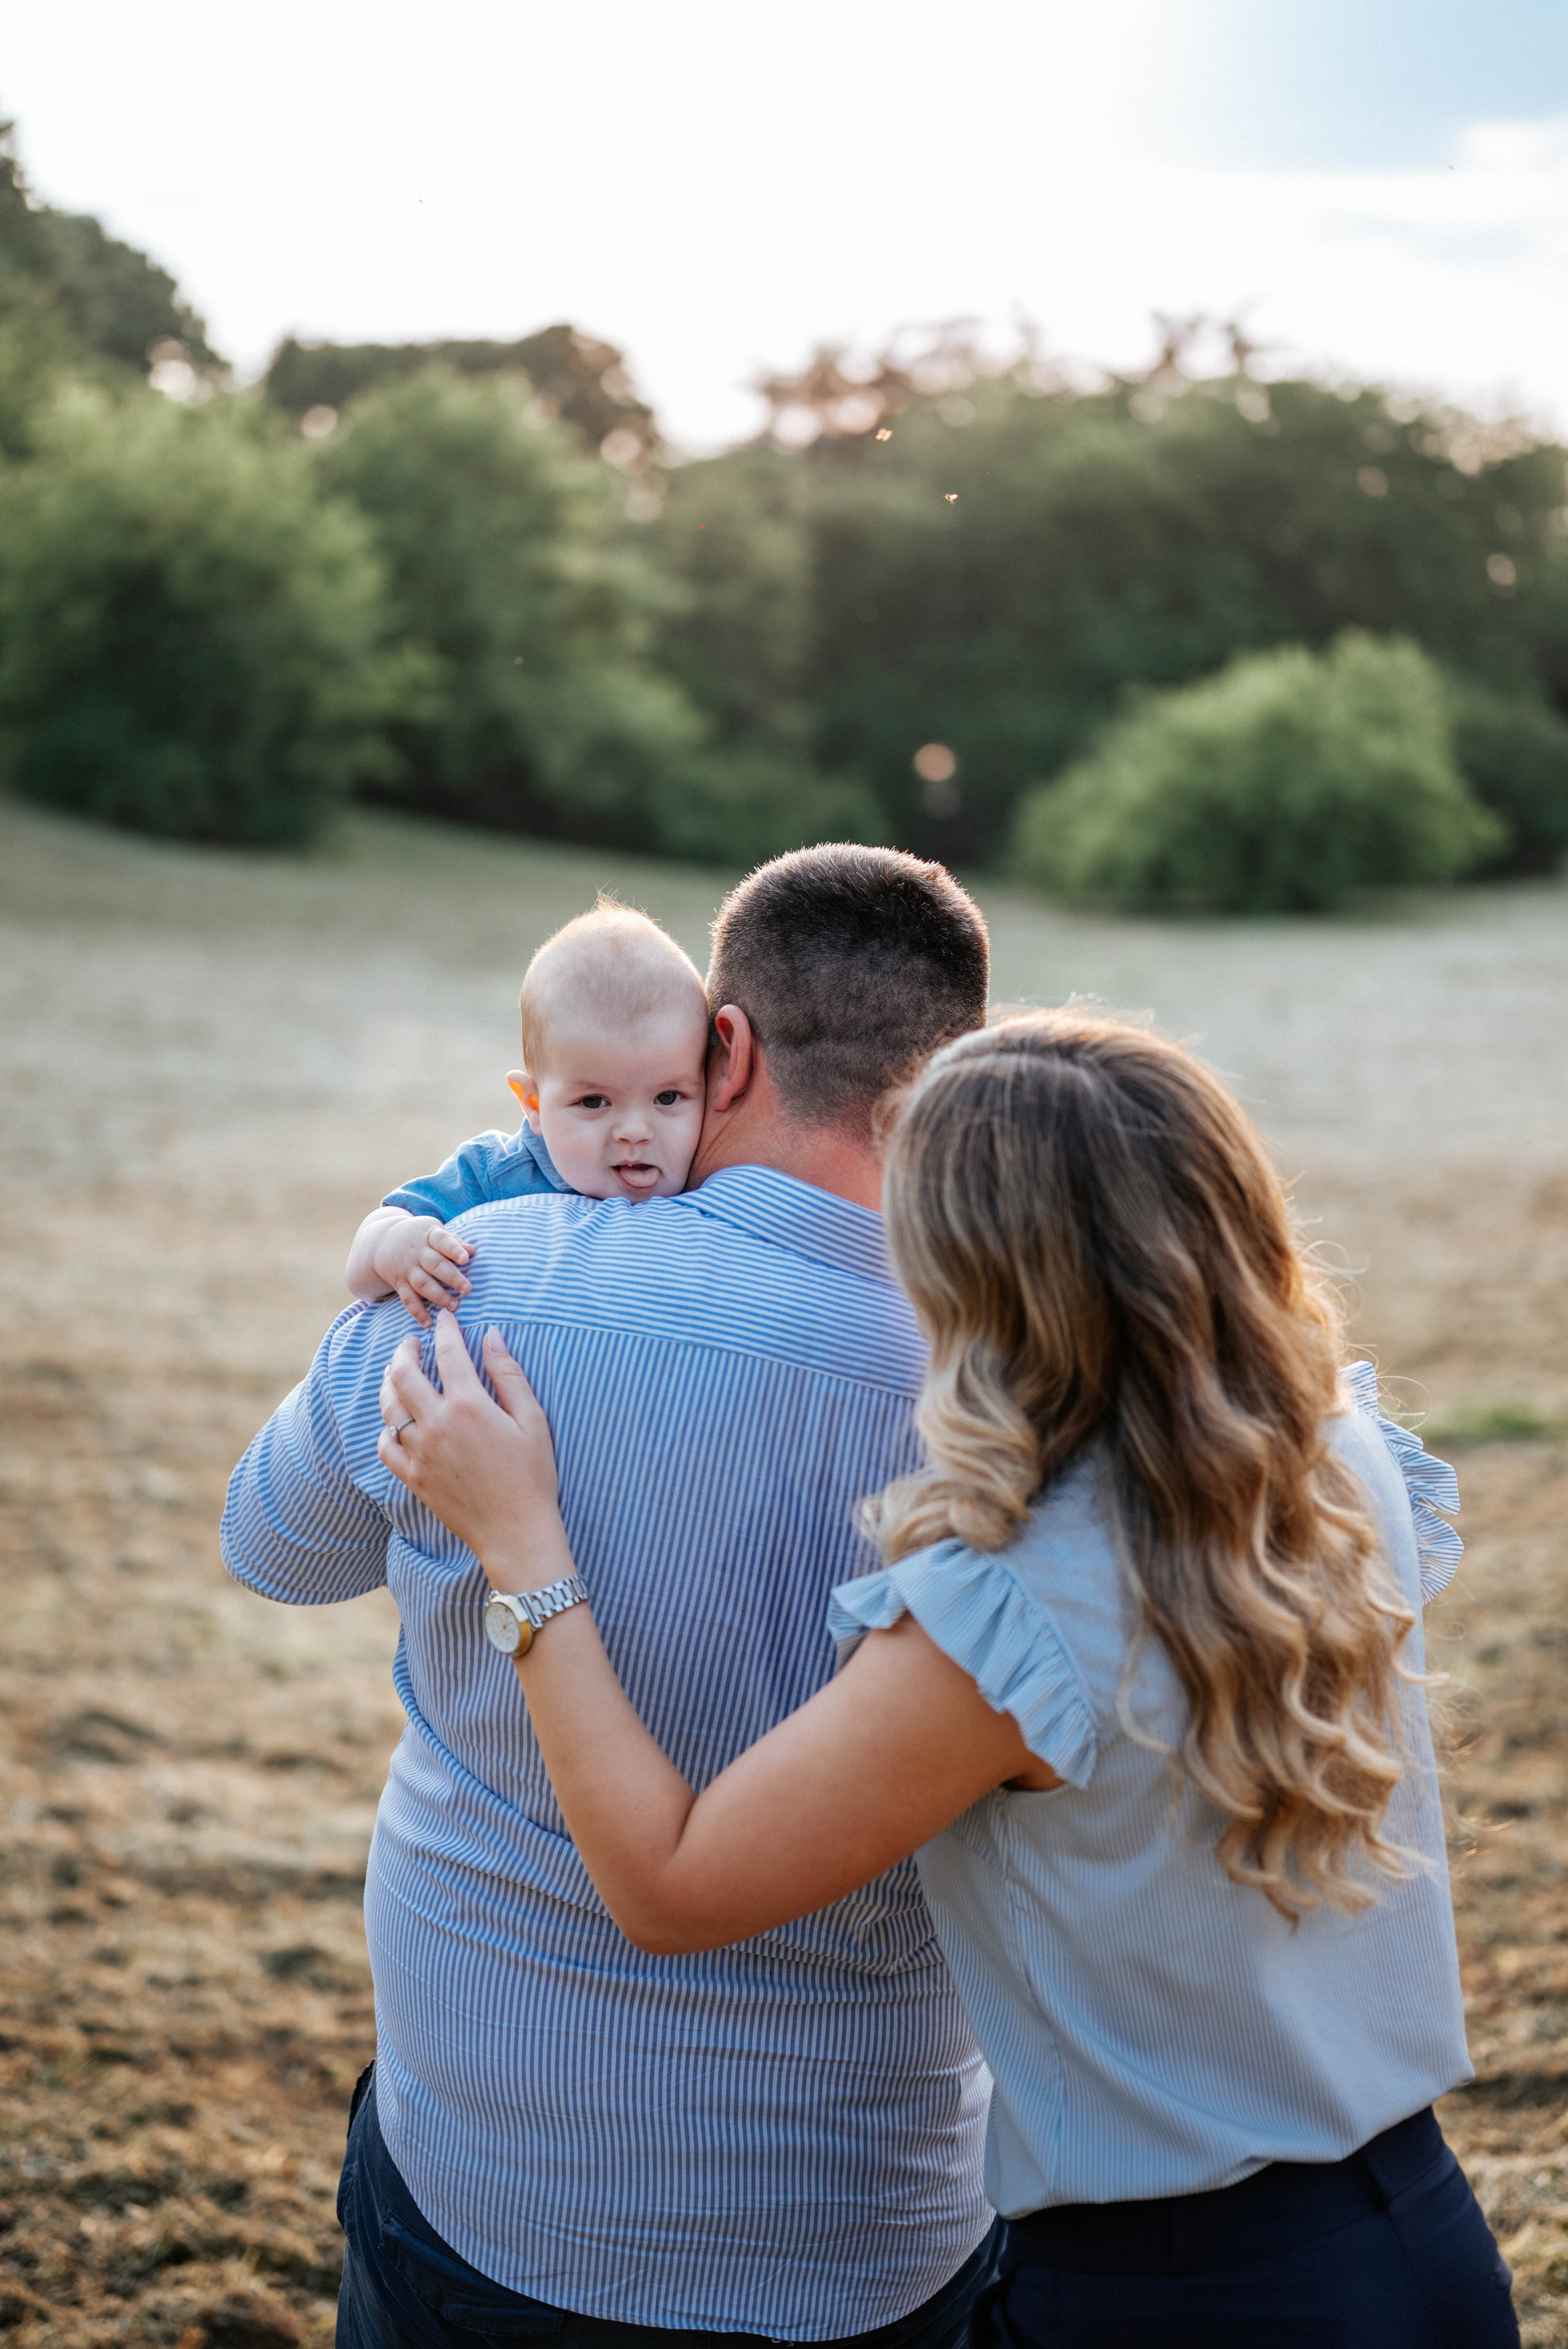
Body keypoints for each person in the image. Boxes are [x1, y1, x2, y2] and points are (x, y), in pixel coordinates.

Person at [378, 1012, 1520, 2349]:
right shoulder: (1327, 1456)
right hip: (1423, 2243)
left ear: (977, 1278)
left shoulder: (1015, 1611)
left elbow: (670, 1884)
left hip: (1174, 2297)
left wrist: (520, 1542)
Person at [221, 845, 1000, 2349]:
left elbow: (275, 1543)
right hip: (866, 2216)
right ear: (957, 1068)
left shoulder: (477, 1282)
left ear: (725, 1047)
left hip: (493, 2174)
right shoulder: (1011, 1371)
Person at [345, 900, 710, 1325]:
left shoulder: (705, 1173)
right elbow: (362, 1271)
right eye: (594, 1102)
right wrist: (396, 1242)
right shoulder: (498, 1173)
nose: (634, 1131)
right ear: (533, 1104)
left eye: (668, 1097)